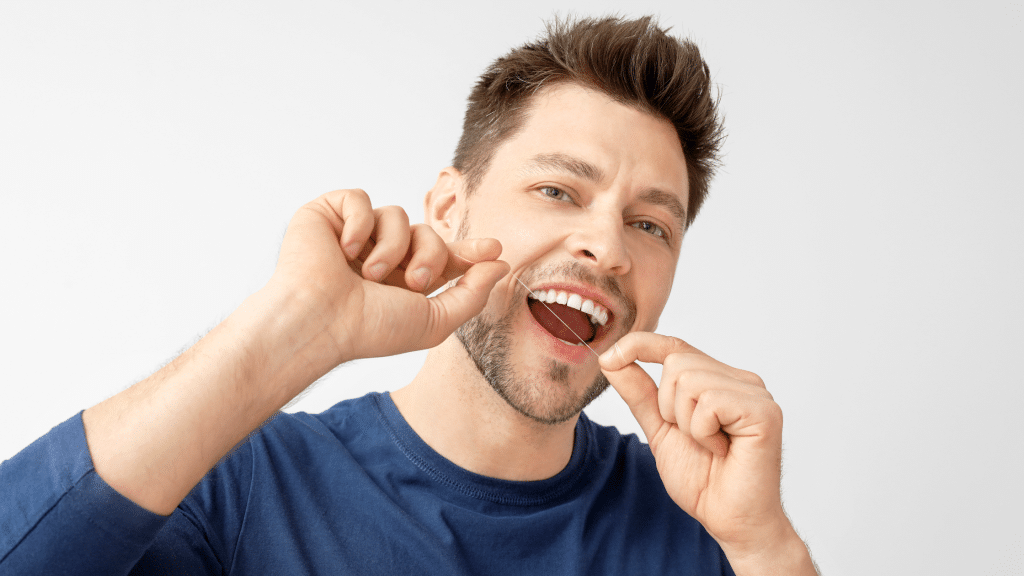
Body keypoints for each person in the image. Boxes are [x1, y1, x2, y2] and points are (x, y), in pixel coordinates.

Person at [0, 16, 817, 575]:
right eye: (560, 192)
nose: (608, 247)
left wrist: (766, 544)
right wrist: (290, 331)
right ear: (449, 208)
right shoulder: (243, 483)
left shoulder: (701, 522)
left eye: (651, 226)